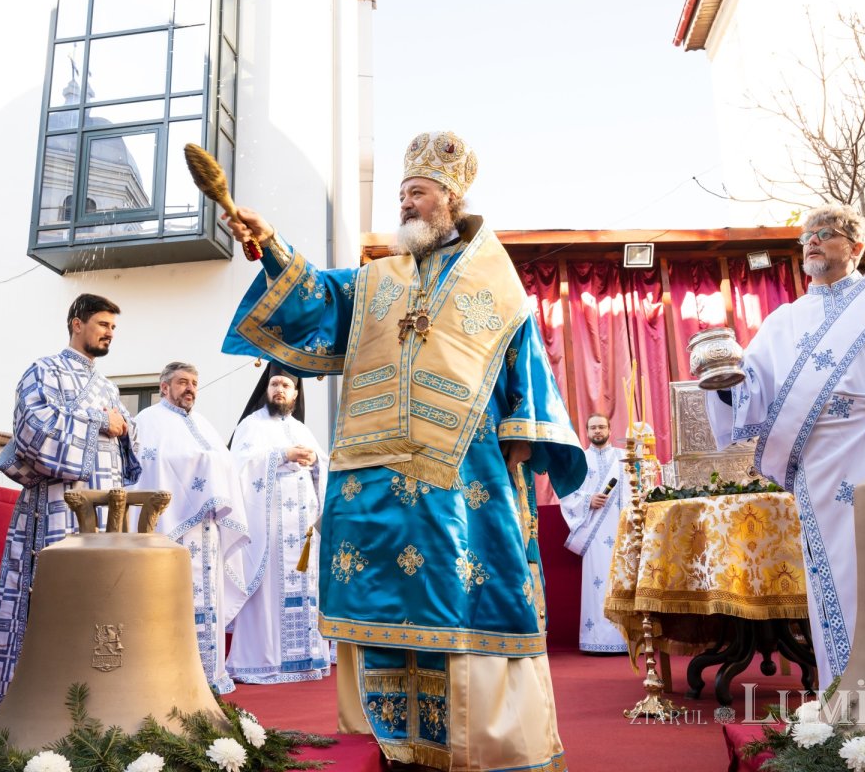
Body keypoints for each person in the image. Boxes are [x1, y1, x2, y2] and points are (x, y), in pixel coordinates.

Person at [220, 130, 585, 771]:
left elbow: (524, 373)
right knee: (385, 614)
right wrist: (270, 244)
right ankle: (395, 747)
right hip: (373, 481)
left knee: (463, 604)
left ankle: (476, 750)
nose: (406, 205)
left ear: (449, 199)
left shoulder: (496, 286)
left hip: (463, 484)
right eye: (401, 194)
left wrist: (524, 448)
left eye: (416, 193)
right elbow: (316, 299)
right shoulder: (375, 281)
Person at [706, 203, 865, 691]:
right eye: (807, 237)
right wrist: (721, 382)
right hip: (815, 457)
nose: (813, 242)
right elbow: (752, 390)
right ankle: (845, 692)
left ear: (856, 246)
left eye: (824, 233)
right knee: (831, 570)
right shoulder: (783, 320)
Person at [0, 294, 140, 710]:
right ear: (76, 323)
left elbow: (127, 436)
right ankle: (34, 698)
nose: (109, 333)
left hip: (105, 510)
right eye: (103, 324)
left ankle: (94, 696)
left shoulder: (108, 386)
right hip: (55, 506)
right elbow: (31, 429)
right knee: (51, 596)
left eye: (113, 328)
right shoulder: (42, 370)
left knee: (100, 599)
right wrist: (97, 422)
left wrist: (125, 428)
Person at [132, 362, 252, 693]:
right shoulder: (147, 422)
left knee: (205, 601)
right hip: (172, 531)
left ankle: (208, 675)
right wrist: (200, 467)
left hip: (209, 530)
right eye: (183, 382)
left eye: (195, 383)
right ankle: (168, 678)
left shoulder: (205, 424)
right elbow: (151, 466)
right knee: (169, 598)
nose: (190, 389)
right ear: (163, 387)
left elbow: (224, 464)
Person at [225, 363, 330, 684]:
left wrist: (314, 463)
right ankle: (261, 661)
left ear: (296, 394)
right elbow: (238, 466)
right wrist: (281, 455)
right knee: (268, 590)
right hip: (267, 526)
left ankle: (305, 659)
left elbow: (323, 466)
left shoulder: (302, 429)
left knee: (305, 585)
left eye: (286, 386)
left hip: (301, 529)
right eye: (275, 385)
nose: (280, 390)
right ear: (266, 390)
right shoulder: (251, 425)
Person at [558, 413, 629, 654]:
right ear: (586, 432)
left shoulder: (624, 458)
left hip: (622, 531)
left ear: (609, 429)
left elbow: (638, 489)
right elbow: (566, 495)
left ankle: (625, 640)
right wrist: (588, 500)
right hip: (594, 534)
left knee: (621, 582)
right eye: (592, 427)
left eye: (601, 426)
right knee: (597, 584)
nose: (597, 431)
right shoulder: (579, 461)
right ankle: (596, 640)